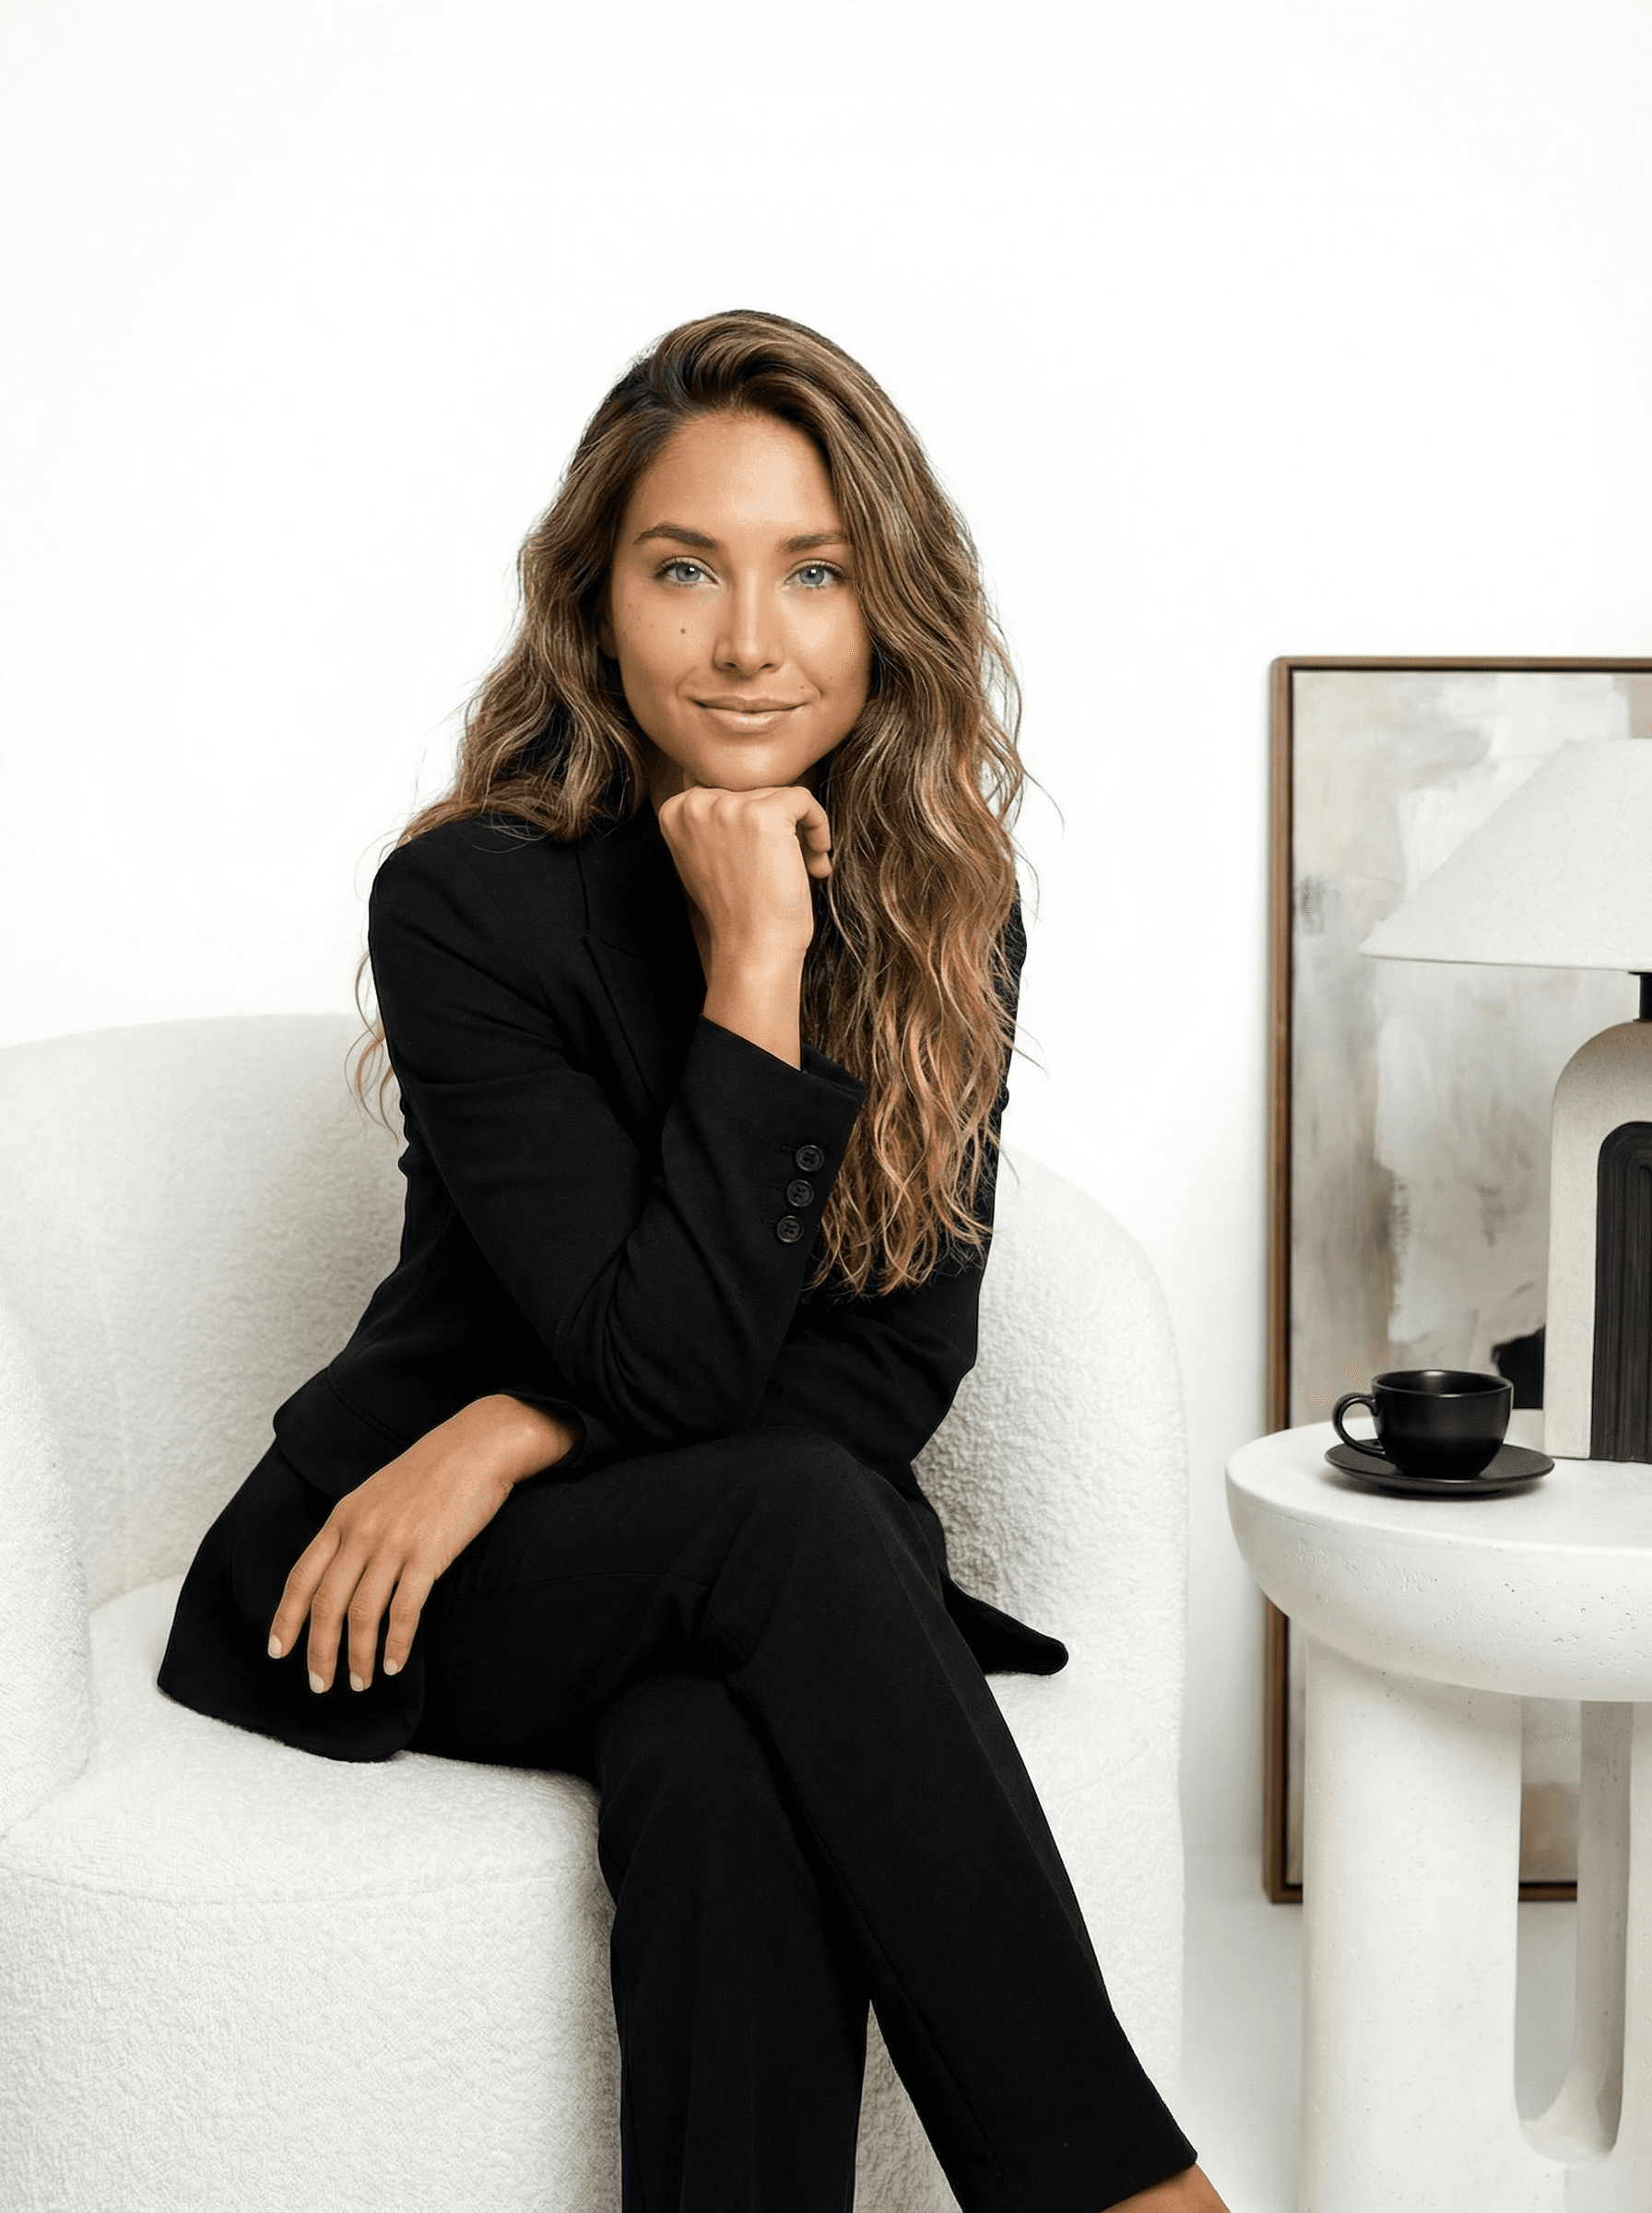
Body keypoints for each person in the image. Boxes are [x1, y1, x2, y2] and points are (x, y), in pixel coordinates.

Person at [159, 309, 1227, 2213]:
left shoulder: (935, 903)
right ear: (596, 600)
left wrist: (503, 1424)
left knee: (721, 1759)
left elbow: (891, 1373)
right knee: (804, 1519)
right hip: (417, 1577)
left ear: (885, 604)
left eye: (812, 573)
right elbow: (663, 1374)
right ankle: (1124, 2195)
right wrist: (753, 964)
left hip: (666, 1547)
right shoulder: (472, 899)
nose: (749, 641)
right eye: (685, 570)